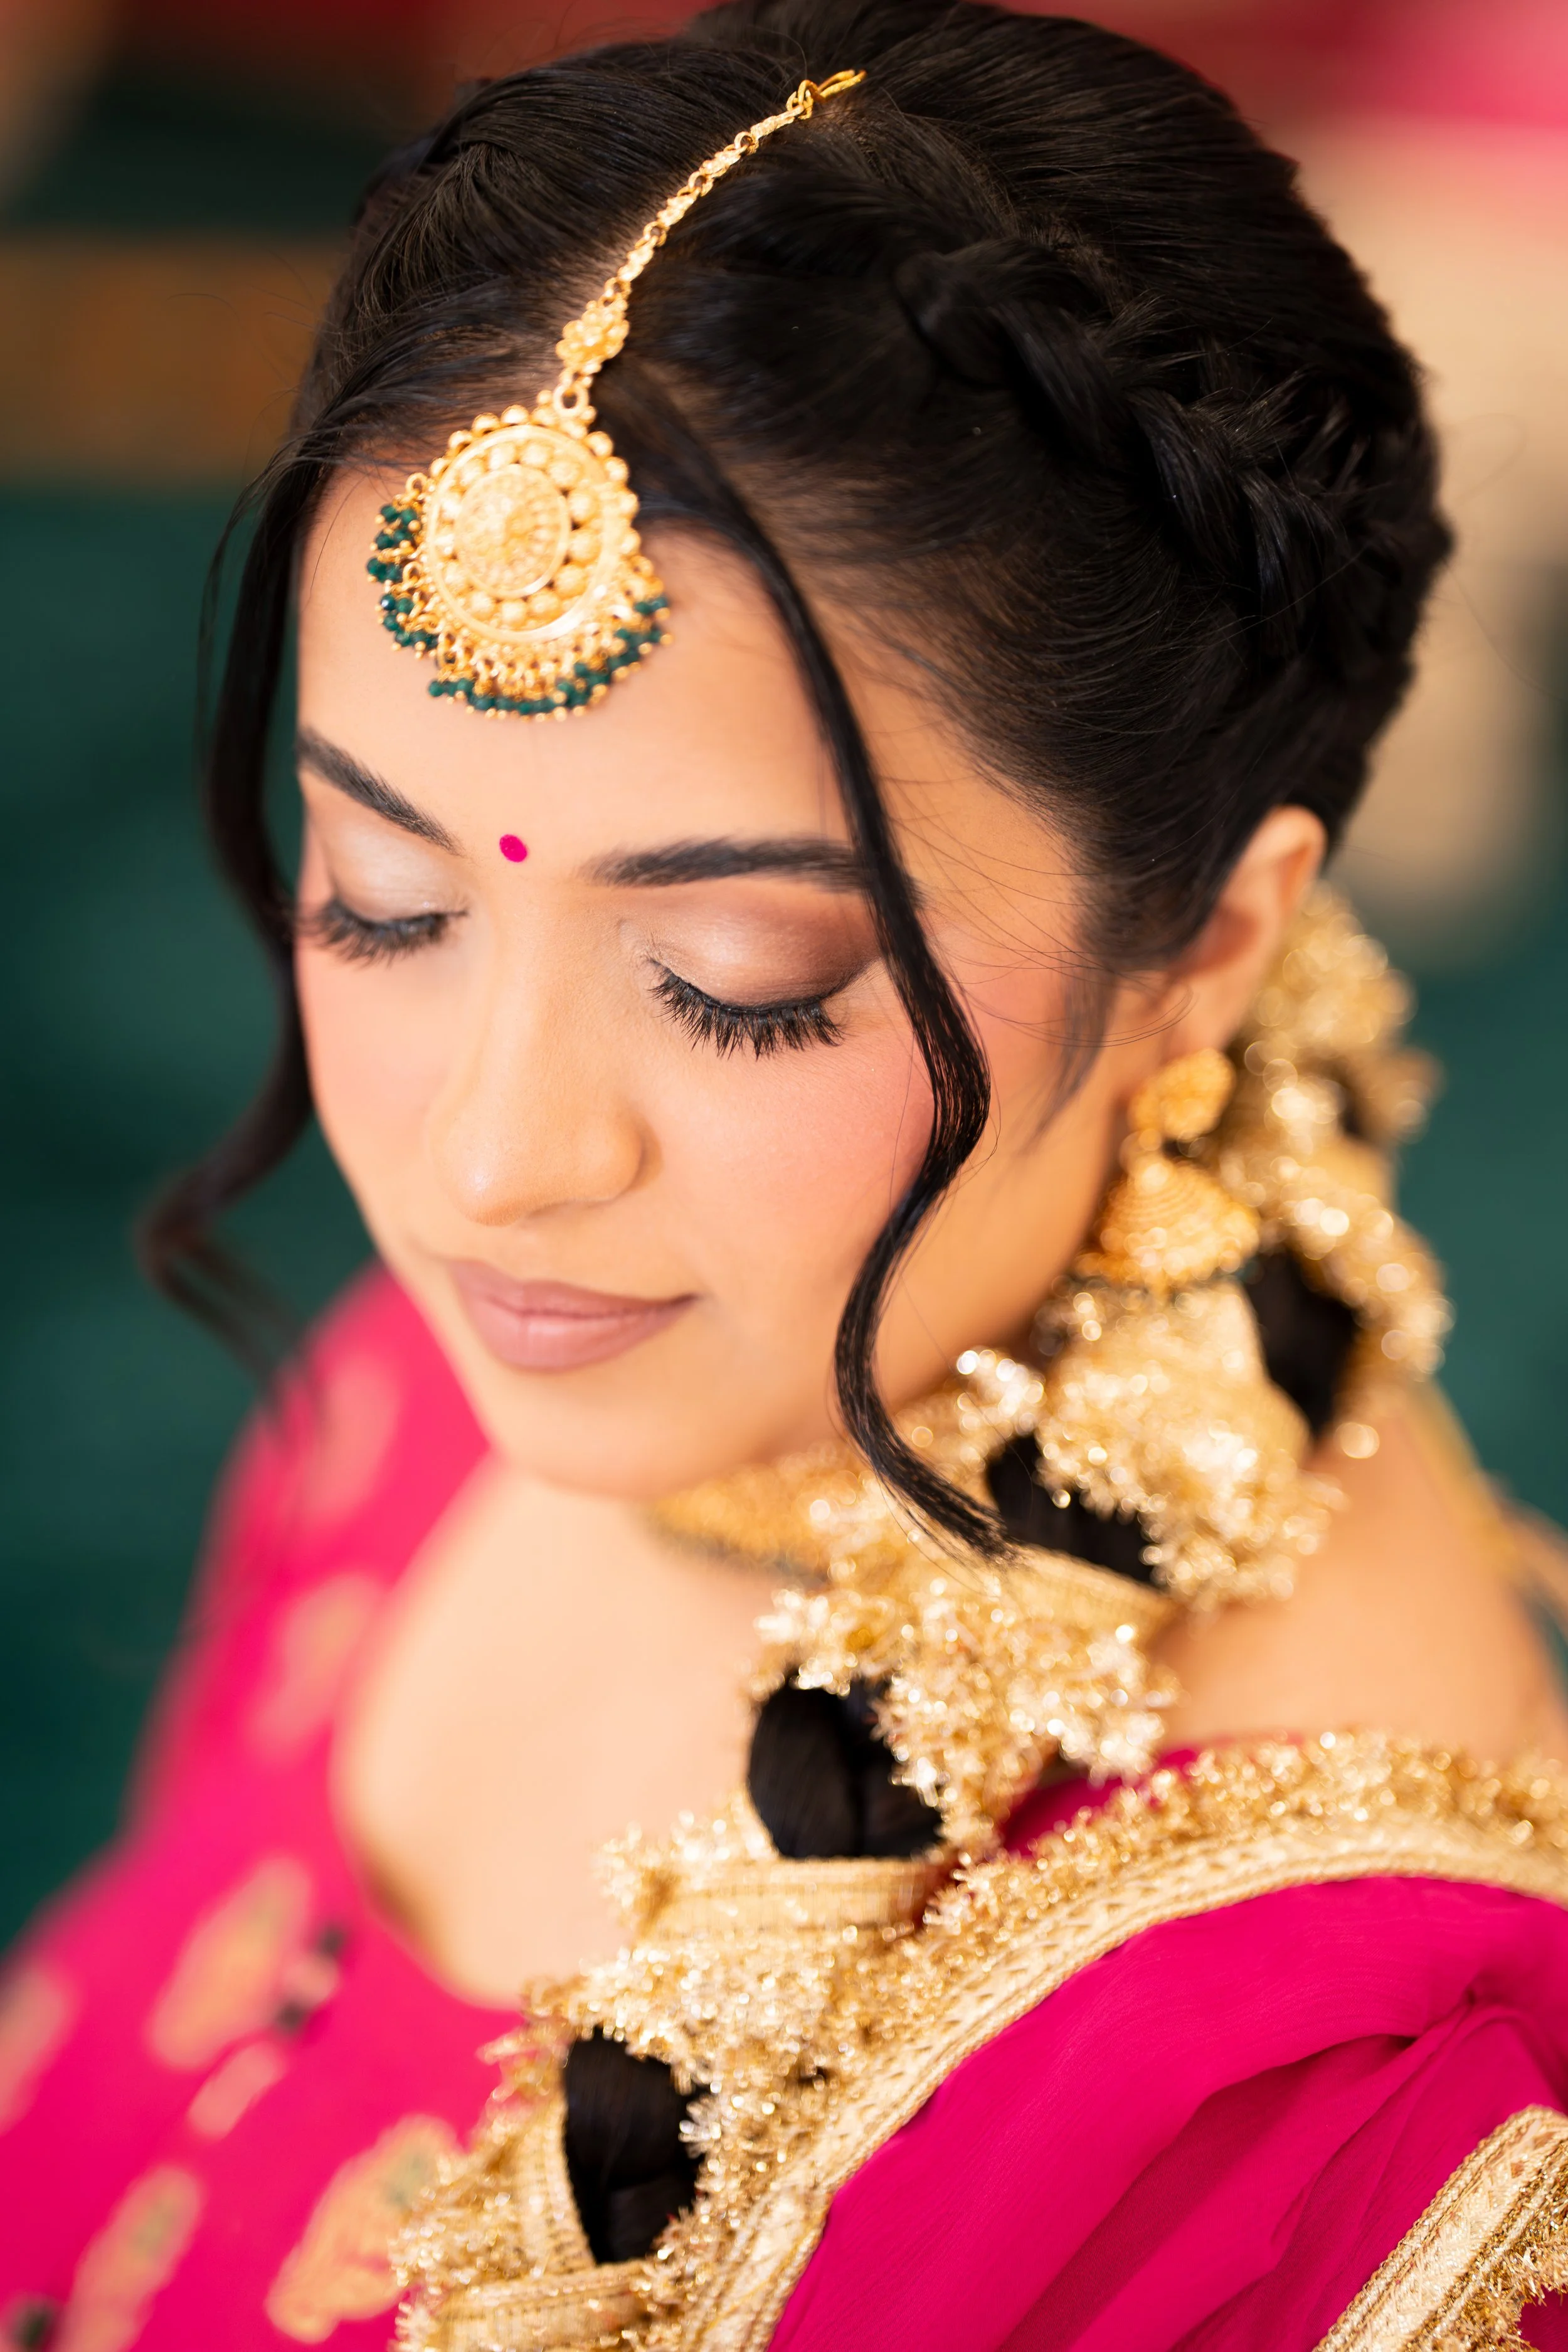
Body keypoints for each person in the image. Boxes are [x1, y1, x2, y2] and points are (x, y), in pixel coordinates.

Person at [6, 2, 1568, 2344]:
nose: (490, 1160)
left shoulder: (1316, 2119)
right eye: (385, 901)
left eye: (741, 982)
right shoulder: (481, 1372)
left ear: (1208, 949)